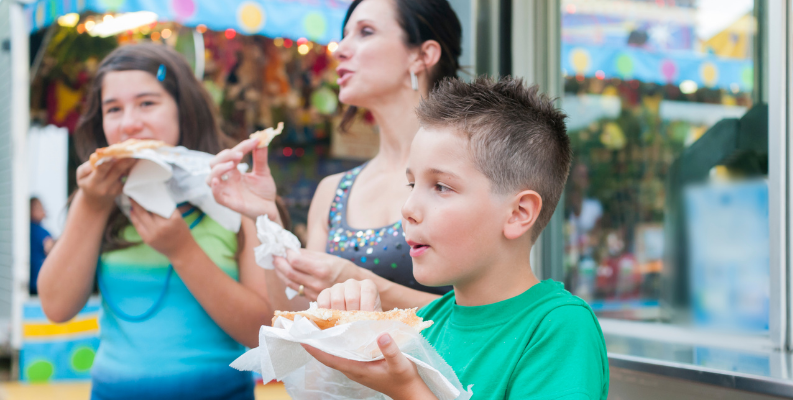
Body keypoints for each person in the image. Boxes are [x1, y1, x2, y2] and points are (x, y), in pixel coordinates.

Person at [303, 77, 610, 400]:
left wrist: (408, 390)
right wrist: (354, 343)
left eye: (441, 187)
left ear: (519, 213)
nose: (408, 209)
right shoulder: (423, 326)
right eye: (411, 185)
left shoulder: (559, 327)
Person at [36, 44, 272, 400]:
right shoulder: (97, 199)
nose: (130, 122)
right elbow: (56, 308)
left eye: (147, 103)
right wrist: (93, 204)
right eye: (113, 109)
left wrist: (182, 251)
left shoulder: (237, 196)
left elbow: (264, 332)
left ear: (183, 110)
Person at [207, 0, 463, 311]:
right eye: (343, 35)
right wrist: (267, 219)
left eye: (365, 32)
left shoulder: (469, 168)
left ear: (423, 55)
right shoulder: (333, 191)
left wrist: (363, 283)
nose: (340, 49)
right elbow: (299, 319)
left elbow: (493, 313)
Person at [29, 197, 54, 295]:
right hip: (39, 282)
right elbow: (52, 250)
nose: (43, 210)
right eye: (39, 207)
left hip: (30, 282)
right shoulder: (41, 232)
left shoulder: (24, 229)